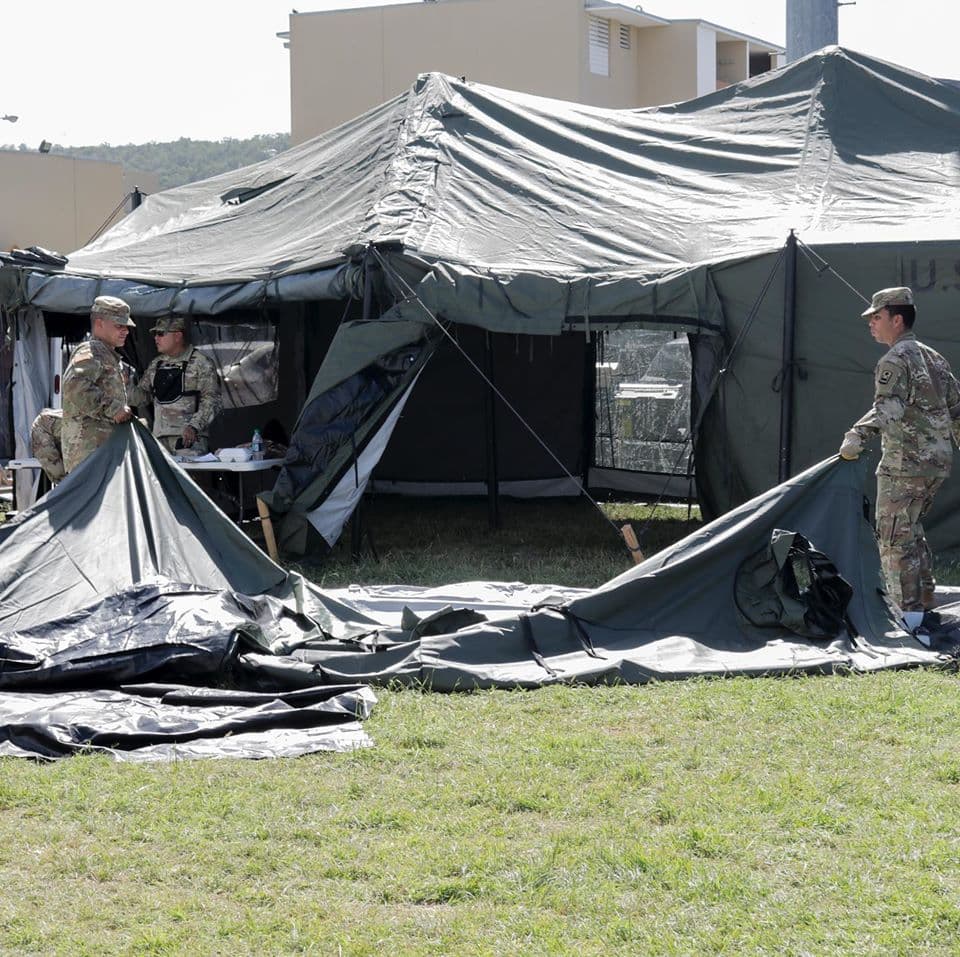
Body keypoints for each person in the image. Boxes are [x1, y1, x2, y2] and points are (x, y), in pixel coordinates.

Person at [839, 286, 960, 626]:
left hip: (904, 465)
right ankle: (923, 606)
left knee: (894, 541)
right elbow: (957, 409)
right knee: (911, 532)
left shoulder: (894, 360)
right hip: (935, 464)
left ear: (897, 319)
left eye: (876, 317)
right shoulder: (935, 357)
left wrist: (857, 434)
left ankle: (908, 622)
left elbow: (888, 407)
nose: (871, 324)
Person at [60, 295, 135, 473]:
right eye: (119, 326)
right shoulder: (92, 350)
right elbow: (74, 385)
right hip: (89, 455)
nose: (125, 331)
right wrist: (113, 409)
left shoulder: (107, 354)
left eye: (126, 326)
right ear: (99, 323)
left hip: (101, 453)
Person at [128, 316, 222, 454]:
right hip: (160, 440)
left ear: (177, 336)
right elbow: (142, 398)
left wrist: (194, 427)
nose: (156, 338)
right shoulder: (156, 364)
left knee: (190, 476)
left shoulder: (201, 363)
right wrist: (126, 385)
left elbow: (212, 399)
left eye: (161, 334)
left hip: (189, 440)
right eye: (155, 334)